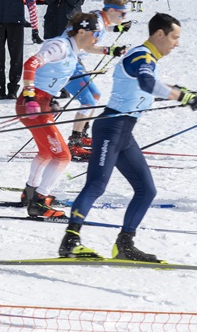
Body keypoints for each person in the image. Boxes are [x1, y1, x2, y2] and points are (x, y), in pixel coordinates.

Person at [60, 13, 197, 261]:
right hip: (111, 127)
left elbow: (144, 87)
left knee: (146, 190)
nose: (176, 44)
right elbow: (147, 83)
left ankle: (124, 245)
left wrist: (177, 90)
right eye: (174, 37)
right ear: (159, 34)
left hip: (123, 132)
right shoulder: (141, 56)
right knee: (96, 185)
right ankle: (70, 241)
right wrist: (183, 97)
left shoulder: (146, 58)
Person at [16, 12, 119, 219]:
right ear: (81, 32)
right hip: (32, 104)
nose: (96, 38)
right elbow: (30, 64)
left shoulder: (73, 49)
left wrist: (50, 100)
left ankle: (30, 193)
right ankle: (39, 202)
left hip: (41, 103)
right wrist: (30, 95)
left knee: (46, 152)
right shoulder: (60, 46)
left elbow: (53, 76)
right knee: (62, 156)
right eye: (95, 34)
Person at [62, 0, 132, 160]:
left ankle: (82, 133)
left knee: (95, 96)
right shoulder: (98, 24)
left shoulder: (98, 16)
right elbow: (87, 47)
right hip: (65, 61)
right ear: (112, 11)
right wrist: (110, 50)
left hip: (73, 60)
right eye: (122, 14)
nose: (124, 17)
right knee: (88, 100)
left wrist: (117, 28)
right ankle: (74, 143)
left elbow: (101, 30)